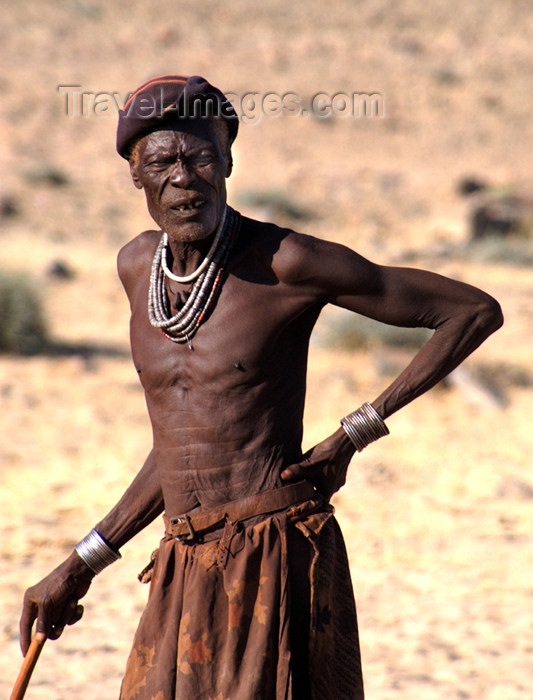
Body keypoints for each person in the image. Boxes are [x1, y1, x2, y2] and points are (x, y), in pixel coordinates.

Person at [19, 75, 503, 700]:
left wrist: (354, 433)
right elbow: (186, 442)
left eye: (199, 157)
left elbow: (471, 312)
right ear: (136, 176)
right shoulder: (137, 269)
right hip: (179, 567)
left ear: (226, 162)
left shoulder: (286, 263)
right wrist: (83, 561)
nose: (183, 177)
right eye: (162, 161)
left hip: (275, 556)